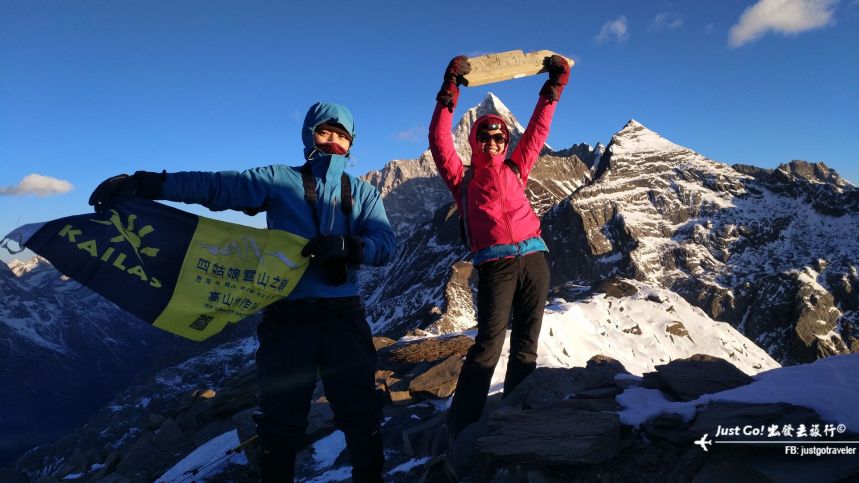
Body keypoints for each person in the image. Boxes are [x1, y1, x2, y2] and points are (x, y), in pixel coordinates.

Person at [89, 102, 396, 483]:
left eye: (341, 134)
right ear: (308, 135)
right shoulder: (280, 180)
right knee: (281, 420)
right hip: (288, 318)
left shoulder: (364, 194)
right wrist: (149, 183)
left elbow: (385, 243)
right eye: (324, 131)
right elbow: (218, 186)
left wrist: (349, 248)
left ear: (351, 143)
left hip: (342, 316)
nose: (333, 140)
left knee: (360, 411)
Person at [428, 55, 570, 438]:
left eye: (499, 137)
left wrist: (552, 90)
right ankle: (461, 428)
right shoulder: (463, 180)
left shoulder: (515, 169)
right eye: (484, 137)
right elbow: (439, 142)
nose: (492, 142)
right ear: (474, 141)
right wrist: (450, 90)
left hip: (535, 259)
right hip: (497, 265)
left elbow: (538, 131)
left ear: (506, 143)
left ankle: (517, 421)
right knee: (488, 347)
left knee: (526, 348)